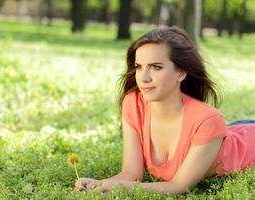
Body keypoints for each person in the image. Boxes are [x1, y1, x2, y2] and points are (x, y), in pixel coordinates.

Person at [73, 27, 255, 195]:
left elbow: (178, 187)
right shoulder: (133, 103)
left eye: (156, 67)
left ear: (181, 73)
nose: (143, 77)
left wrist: (119, 188)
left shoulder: (208, 121)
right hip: (230, 132)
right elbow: (131, 173)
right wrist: (99, 184)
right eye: (139, 67)